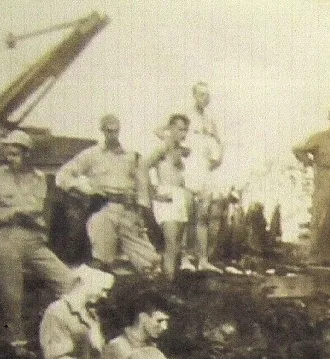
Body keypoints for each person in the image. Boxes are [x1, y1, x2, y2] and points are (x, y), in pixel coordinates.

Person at [0, 130, 76, 351]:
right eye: (8, 153)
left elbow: (39, 209)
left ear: (27, 154)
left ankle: (60, 328)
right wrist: (12, 213)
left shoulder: (39, 178)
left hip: (34, 240)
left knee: (68, 282)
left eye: (15, 154)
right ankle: (17, 340)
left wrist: (18, 212)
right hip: (7, 237)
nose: (10, 158)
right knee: (12, 295)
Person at [55, 114, 160, 276]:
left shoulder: (130, 155)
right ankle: (99, 293)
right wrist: (85, 190)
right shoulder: (91, 155)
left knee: (150, 262)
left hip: (128, 211)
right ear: (102, 131)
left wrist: (141, 205)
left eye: (116, 131)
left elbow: (142, 182)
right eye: (109, 131)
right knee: (103, 261)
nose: (113, 134)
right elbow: (63, 176)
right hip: (104, 209)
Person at [162, 82, 223, 273]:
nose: (204, 99)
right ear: (194, 95)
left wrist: (218, 159)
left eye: (207, 95)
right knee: (186, 215)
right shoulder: (185, 115)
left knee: (203, 215)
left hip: (204, 170)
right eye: (201, 95)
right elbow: (161, 131)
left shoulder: (210, 119)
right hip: (188, 169)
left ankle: (203, 259)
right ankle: (185, 259)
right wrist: (177, 151)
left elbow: (219, 142)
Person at [293, 105, 330, 265]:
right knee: (321, 214)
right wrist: (311, 163)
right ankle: (315, 255)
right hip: (324, 177)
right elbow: (298, 150)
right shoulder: (319, 138)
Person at [143, 114, 191, 282]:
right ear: (171, 129)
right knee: (170, 243)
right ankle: (167, 284)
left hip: (179, 196)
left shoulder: (179, 149)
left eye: (185, 130)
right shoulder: (163, 147)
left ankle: (171, 281)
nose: (183, 133)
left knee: (177, 245)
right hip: (166, 195)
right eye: (179, 129)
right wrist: (153, 192)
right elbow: (143, 165)